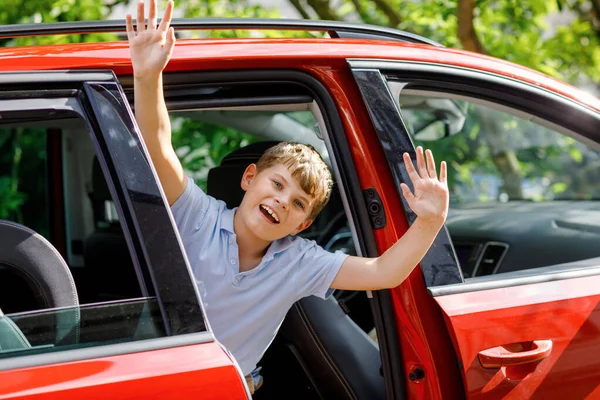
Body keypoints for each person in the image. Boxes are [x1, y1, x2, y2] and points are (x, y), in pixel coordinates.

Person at [126, 0, 449, 394]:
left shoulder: (299, 261)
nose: (282, 201)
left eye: (298, 203)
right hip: (156, 384)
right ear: (249, 179)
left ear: (304, 224)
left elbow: (384, 272)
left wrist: (429, 221)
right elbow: (158, 147)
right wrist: (147, 76)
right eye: (276, 185)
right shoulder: (197, 215)